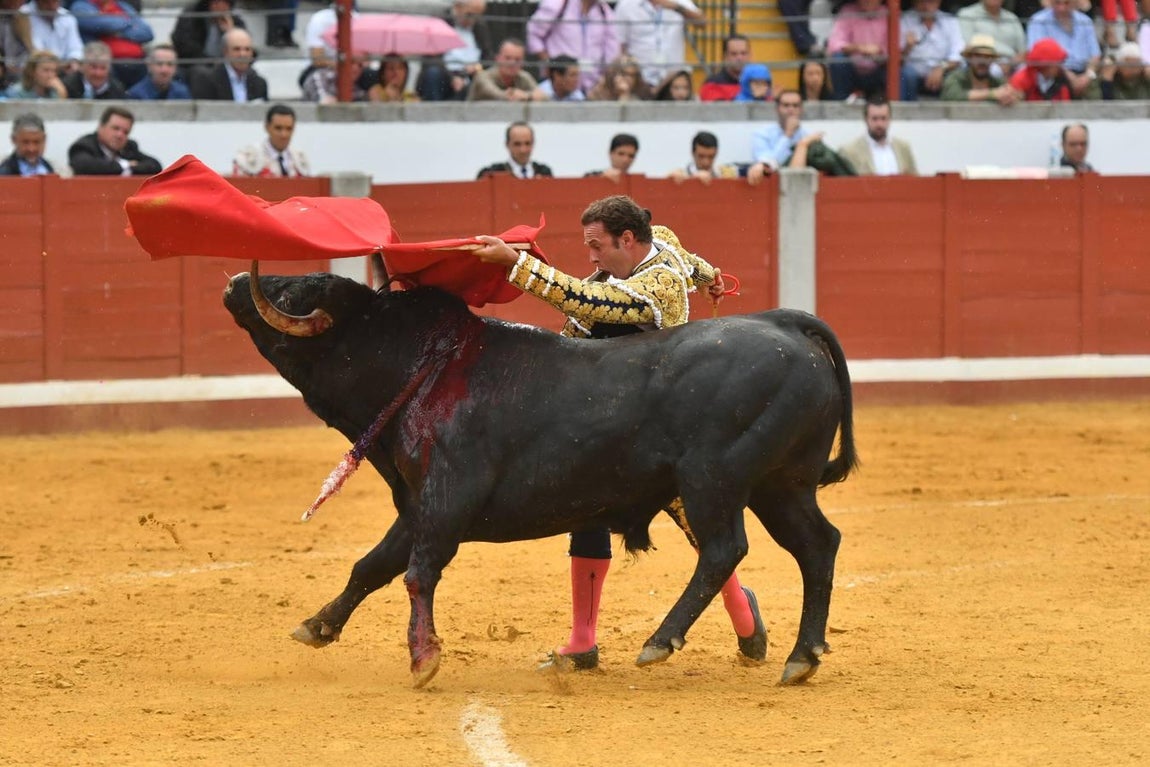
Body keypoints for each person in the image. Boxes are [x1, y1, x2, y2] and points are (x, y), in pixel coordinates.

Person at [468, 194, 767, 671]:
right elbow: (690, 261)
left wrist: (516, 266)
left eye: (596, 246)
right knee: (584, 507)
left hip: (662, 428)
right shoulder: (659, 240)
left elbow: (588, 300)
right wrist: (711, 276)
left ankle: (740, 608)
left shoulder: (658, 286)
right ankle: (582, 640)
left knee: (699, 525)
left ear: (627, 240)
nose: (590, 257)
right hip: (604, 415)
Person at [745, 89, 856, 184]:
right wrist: (788, 135)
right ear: (777, 108)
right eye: (786, 105)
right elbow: (768, 165)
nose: (791, 109)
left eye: (795, 106)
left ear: (801, 109)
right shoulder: (762, 135)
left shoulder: (806, 136)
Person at [526, 0, 618, 96]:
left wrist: (603, 81)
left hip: (592, 88)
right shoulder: (558, 4)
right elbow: (533, 33)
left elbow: (612, 53)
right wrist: (550, 65)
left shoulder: (605, 12)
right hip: (558, 87)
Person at [612, 0, 703, 89]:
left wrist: (676, 7)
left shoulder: (679, 2)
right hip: (639, 79)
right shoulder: (626, 4)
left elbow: (702, 22)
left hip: (672, 80)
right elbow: (620, 44)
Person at [415, 0, 493, 101]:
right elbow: (431, 58)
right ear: (457, 7)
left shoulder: (479, 26)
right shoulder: (441, 22)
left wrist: (477, 67)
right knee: (433, 73)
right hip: (445, 75)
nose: (473, 20)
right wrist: (452, 77)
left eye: (478, 15)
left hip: (471, 76)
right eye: (470, 14)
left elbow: (488, 56)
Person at [1024, 0, 1100, 97]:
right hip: (1055, 72)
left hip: (1084, 72)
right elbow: (1035, 55)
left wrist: (1088, 76)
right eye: (1057, 3)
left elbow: (1095, 54)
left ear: (1075, 3)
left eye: (1066, 3)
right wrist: (1068, 76)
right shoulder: (1038, 21)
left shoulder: (1086, 21)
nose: (1061, 8)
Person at [69, 0, 152, 87]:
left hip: (138, 61)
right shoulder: (82, 5)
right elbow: (99, 24)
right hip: (110, 63)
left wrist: (119, 33)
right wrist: (128, 23)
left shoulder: (123, 5)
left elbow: (147, 33)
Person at [68, 105, 161, 176]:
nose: (120, 135)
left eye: (126, 132)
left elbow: (155, 166)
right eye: (115, 128)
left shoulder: (129, 147)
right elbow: (85, 166)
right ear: (101, 127)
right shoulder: (84, 145)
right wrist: (125, 166)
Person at [837, 96, 918, 175]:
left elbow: (915, 182)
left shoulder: (903, 148)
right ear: (865, 119)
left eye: (883, 118)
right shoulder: (849, 152)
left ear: (890, 119)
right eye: (874, 119)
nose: (879, 124)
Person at [899, 0, 964, 100]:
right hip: (915, 76)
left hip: (942, 72)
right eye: (921, 1)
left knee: (959, 73)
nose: (926, 6)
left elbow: (959, 54)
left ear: (939, 2)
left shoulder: (950, 21)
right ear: (914, 2)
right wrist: (908, 47)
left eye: (930, 1)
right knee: (906, 74)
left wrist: (941, 68)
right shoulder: (904, 20)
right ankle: (907, 114)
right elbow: (897, 61)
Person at [826, 0, 889, 101]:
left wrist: (879, 52)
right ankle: (841, 102)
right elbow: (834, 44)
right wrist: (859, 48)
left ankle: (888, 105)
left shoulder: (888, 13)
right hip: (853, 70)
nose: (866, 1)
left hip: (878, 69)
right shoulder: (848, 11)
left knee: (897, 68)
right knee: (838, 59)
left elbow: (895, 49)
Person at [171, 0, 247, 82]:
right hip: (195, 65)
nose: (220, 7)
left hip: (226, 66)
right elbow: (184, 46)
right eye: (216, 3)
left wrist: (231, 32)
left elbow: (247, 50)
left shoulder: (234, 20)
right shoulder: (194, 15)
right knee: (199, 73)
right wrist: (211, 62)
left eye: (224, 3)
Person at [190, 27, 267, 102]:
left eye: (247, 49)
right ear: (225, 52)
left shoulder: (259, 83)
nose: (243, 54)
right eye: (237, 49)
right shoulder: (208, 81)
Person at [233, 103, 309, 177]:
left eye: (289, 129)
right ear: (267, 127)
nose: (284, 134)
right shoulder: (248, 156)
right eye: (278, 128)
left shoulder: (300, 158)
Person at [940, 33, 1019, 104]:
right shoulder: (955, 78)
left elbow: (1015, 95)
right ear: (969, 58)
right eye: (978, 56)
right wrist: (992, 94)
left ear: (992, 60)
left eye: (987, 57)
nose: (982, 61)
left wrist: (1010, 97)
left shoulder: (997, 82)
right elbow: (951, 96)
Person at [956, 0, 1027, 75]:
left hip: (1012, 63)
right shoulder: (967, 14)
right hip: (984, 61)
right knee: (995, 70)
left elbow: (1023, 50)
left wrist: (1011, 63)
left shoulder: (1012, 17)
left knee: (1027, 69)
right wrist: (994, 61)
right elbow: (968, 45)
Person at [467, 37, 542, 102]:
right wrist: (516, 95)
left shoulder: (524, 76)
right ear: (497, 59)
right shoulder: (482, 77)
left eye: (517, 59)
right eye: (507, 58)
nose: (512, 63)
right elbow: (500, 95)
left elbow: (543, 96)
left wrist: (526, 96)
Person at [476, 120, 553, 179]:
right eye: (517, 144)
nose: (523, 150)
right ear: (507, 144)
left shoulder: (544, 173)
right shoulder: (492, 173)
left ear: (533, 144)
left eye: (527, 143)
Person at [20, 0, 83, 70]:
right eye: (47, 2)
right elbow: (36, 52)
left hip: (64, 69)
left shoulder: (67, 17)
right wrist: (59, 65)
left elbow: (76, 49)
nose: (52, 6)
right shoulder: (23, 15)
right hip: (34, 69)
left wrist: (73, 61)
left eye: (55, 2)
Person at [1008, 37, 1073, 101]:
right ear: (1045, 66)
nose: (1060, 65)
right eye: (1057, 62)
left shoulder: (1063, 80)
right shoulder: (1021, 80)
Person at [668, 130, 743, 183]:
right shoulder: (682, 176)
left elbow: (748, 170)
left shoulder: (726, 173)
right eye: (701, 156)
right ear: (693, 153)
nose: (706, 162)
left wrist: (754, 169)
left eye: (711, 157)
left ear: (716, 153)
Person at [60, 40, 125, 99]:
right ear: (82, 67)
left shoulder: (117, 90)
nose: (98, 73)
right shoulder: (67, 86)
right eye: (93, 67)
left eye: (103, 68)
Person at [699, 33, 749, 101]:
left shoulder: (758, 83)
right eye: (734, 54)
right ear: (725, 57)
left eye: (743, 53)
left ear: (750, 55)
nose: (739, 58)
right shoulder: (712, 84)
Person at [303, 52, 369, 103]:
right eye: (351, 62)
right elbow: (324, 102)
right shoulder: (320, 76)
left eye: (360, 65)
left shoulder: (358, 86)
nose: (355, 68)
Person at [586, 53, 651, 100]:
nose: (629, 79)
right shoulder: (600, 92)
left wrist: (624, 95)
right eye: (625, 74)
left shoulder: (639, 94)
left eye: (632, 76)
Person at [1, 0, 35, 85]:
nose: (18, 2)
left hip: (19, 70)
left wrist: (24, 67)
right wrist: (5, 66)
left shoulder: (22, 17)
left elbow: (29, 48)